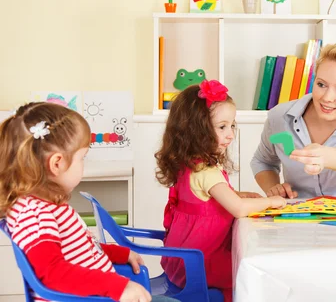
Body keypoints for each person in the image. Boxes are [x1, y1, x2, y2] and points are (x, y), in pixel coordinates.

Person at [0, 102, 168, 302]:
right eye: (82, 158)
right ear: (57, 163)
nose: (83, 164)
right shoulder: (35, 214)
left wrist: (118, 253)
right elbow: (52, 273)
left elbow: (80, 250)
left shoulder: (46, 206)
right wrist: (117, 286)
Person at [155, 80, 286, 302]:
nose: (231, 134)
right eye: (222, 127)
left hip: (183, 260)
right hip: (202, 263)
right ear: (196, 131)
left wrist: (239, 194)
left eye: (232, 125)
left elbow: (208, 201)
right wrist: (272, 201)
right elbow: (239, 209)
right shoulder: (206, 171)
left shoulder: (190, 164)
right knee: (257, 272)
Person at [251, 42, 336, 199]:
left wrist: (325, 156)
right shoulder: (280, 116)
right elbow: (262, 161)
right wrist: (274, 189)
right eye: (321, 84)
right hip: (298, 214)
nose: (327, 98)